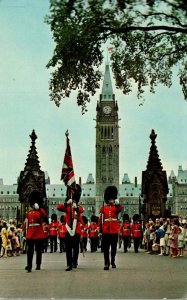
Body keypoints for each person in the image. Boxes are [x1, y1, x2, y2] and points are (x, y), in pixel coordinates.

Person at [57, 184, 84, 271]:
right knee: (68, 248)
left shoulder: (79, 207)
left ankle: (74, 262)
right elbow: (58, 207)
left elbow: (81, 210)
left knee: (76, 248)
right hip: (68, 230)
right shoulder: (67, 207)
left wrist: (76, 208)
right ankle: (69, 264)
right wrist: (66, 203)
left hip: (76, 230)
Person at [99, 186, 123, 270]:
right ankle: (106, 263)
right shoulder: (103, 208)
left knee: (113, 248)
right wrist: (100, 229)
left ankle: (112, 261)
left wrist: (118, 204)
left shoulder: (116, 207)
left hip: (114, 230)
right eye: (109, 199)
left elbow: (120, 209)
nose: (110, 201)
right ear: (107, 199)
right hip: (106, 231)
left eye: (112, 199)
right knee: (106, 248)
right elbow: (100, 219)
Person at [25, 190, 47, 272]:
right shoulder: (29, 213)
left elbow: (44, 217)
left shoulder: (40, 211)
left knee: (38, 250)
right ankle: (29, 265)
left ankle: (38, 265)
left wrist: (40, 209)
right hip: (30, 233)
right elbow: (27, 223)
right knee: (29, 251)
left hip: (38, 233)